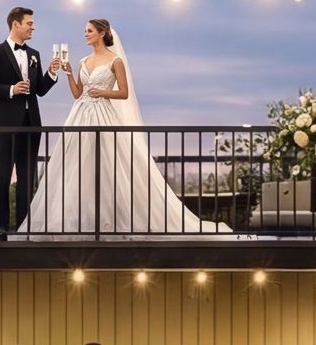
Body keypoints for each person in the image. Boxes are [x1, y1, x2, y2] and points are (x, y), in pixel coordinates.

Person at [18, 19, 230, 237]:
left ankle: (113, 218)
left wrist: (103, 93)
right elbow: (77, 94)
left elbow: (124, 92)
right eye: (85, 31)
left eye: (89, 31)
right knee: (78, 166)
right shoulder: (83, 61)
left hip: (103, 115)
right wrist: (70, 73)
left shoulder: (115, 60)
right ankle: (83, 220)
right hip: (80, 115)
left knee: (109, 164)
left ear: (102, 33)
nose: (85, 34)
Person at [0, 5, 58, 237]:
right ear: (16, 24)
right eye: (29, 23)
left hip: (31, 123)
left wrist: (51, 74)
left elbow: (39, 91)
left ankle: (24, 229)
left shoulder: (35, 55)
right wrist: (11, 89)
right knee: (3, 176)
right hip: (5, 124)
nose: (33, 27)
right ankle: (1, 228)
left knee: (26, 178)